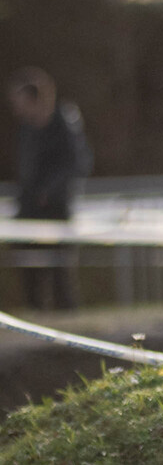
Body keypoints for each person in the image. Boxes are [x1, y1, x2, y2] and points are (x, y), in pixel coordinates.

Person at [8, 67, 89, 313]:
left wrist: (50, 191)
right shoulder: (27, 129)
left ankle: (67, 317)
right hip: (30, 209)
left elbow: (77, 162)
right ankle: (36, 315)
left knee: (59, 268)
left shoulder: (64, 122)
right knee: (30, 266)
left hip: (55, 207)